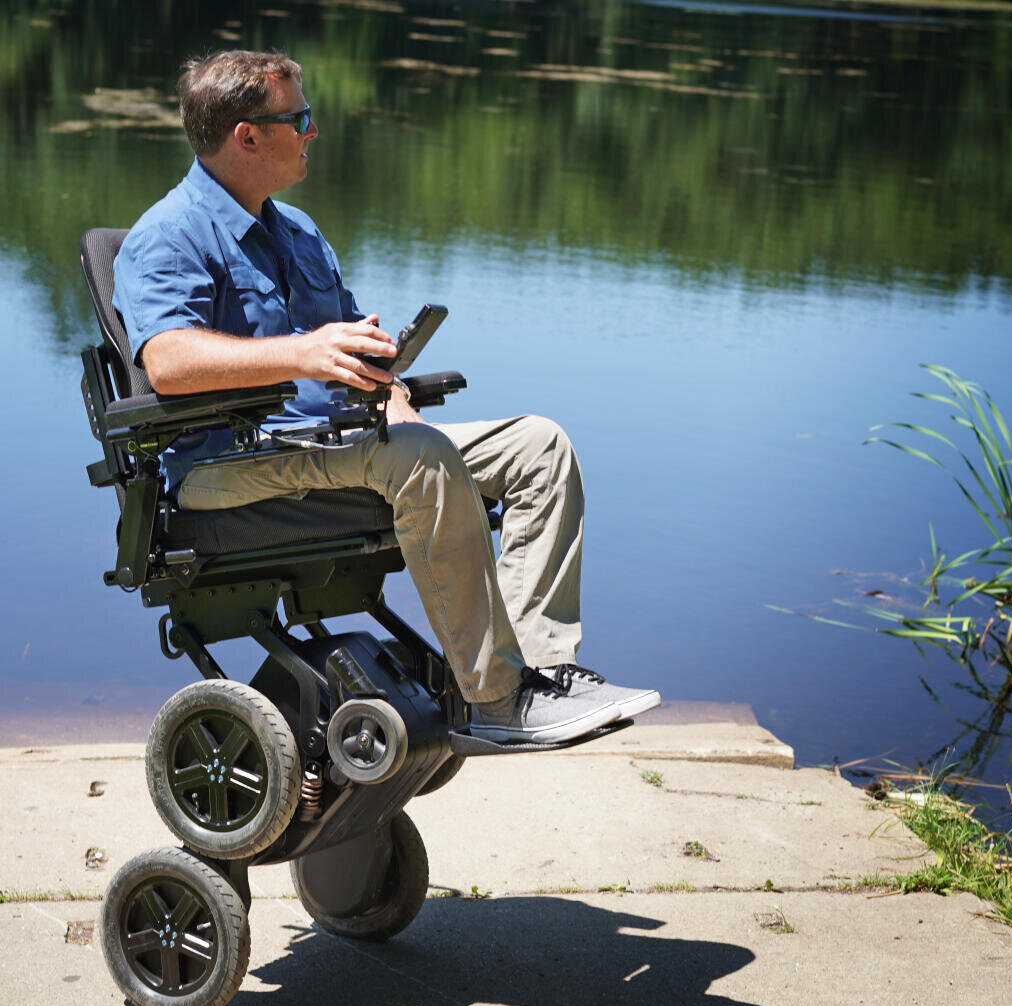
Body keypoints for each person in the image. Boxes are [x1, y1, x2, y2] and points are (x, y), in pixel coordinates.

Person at [112, 49, 657, 745]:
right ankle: (495, 699)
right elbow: (168, 362)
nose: (313, 131)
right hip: (229, 465)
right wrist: (301, 351)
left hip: (336, 441)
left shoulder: (299, 231)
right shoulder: (168, 234)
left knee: (539, 446)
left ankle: (539, 675)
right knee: (423, 458)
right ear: (246, 136)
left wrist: (388, 391)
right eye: (299, 118)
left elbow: (346, 347)